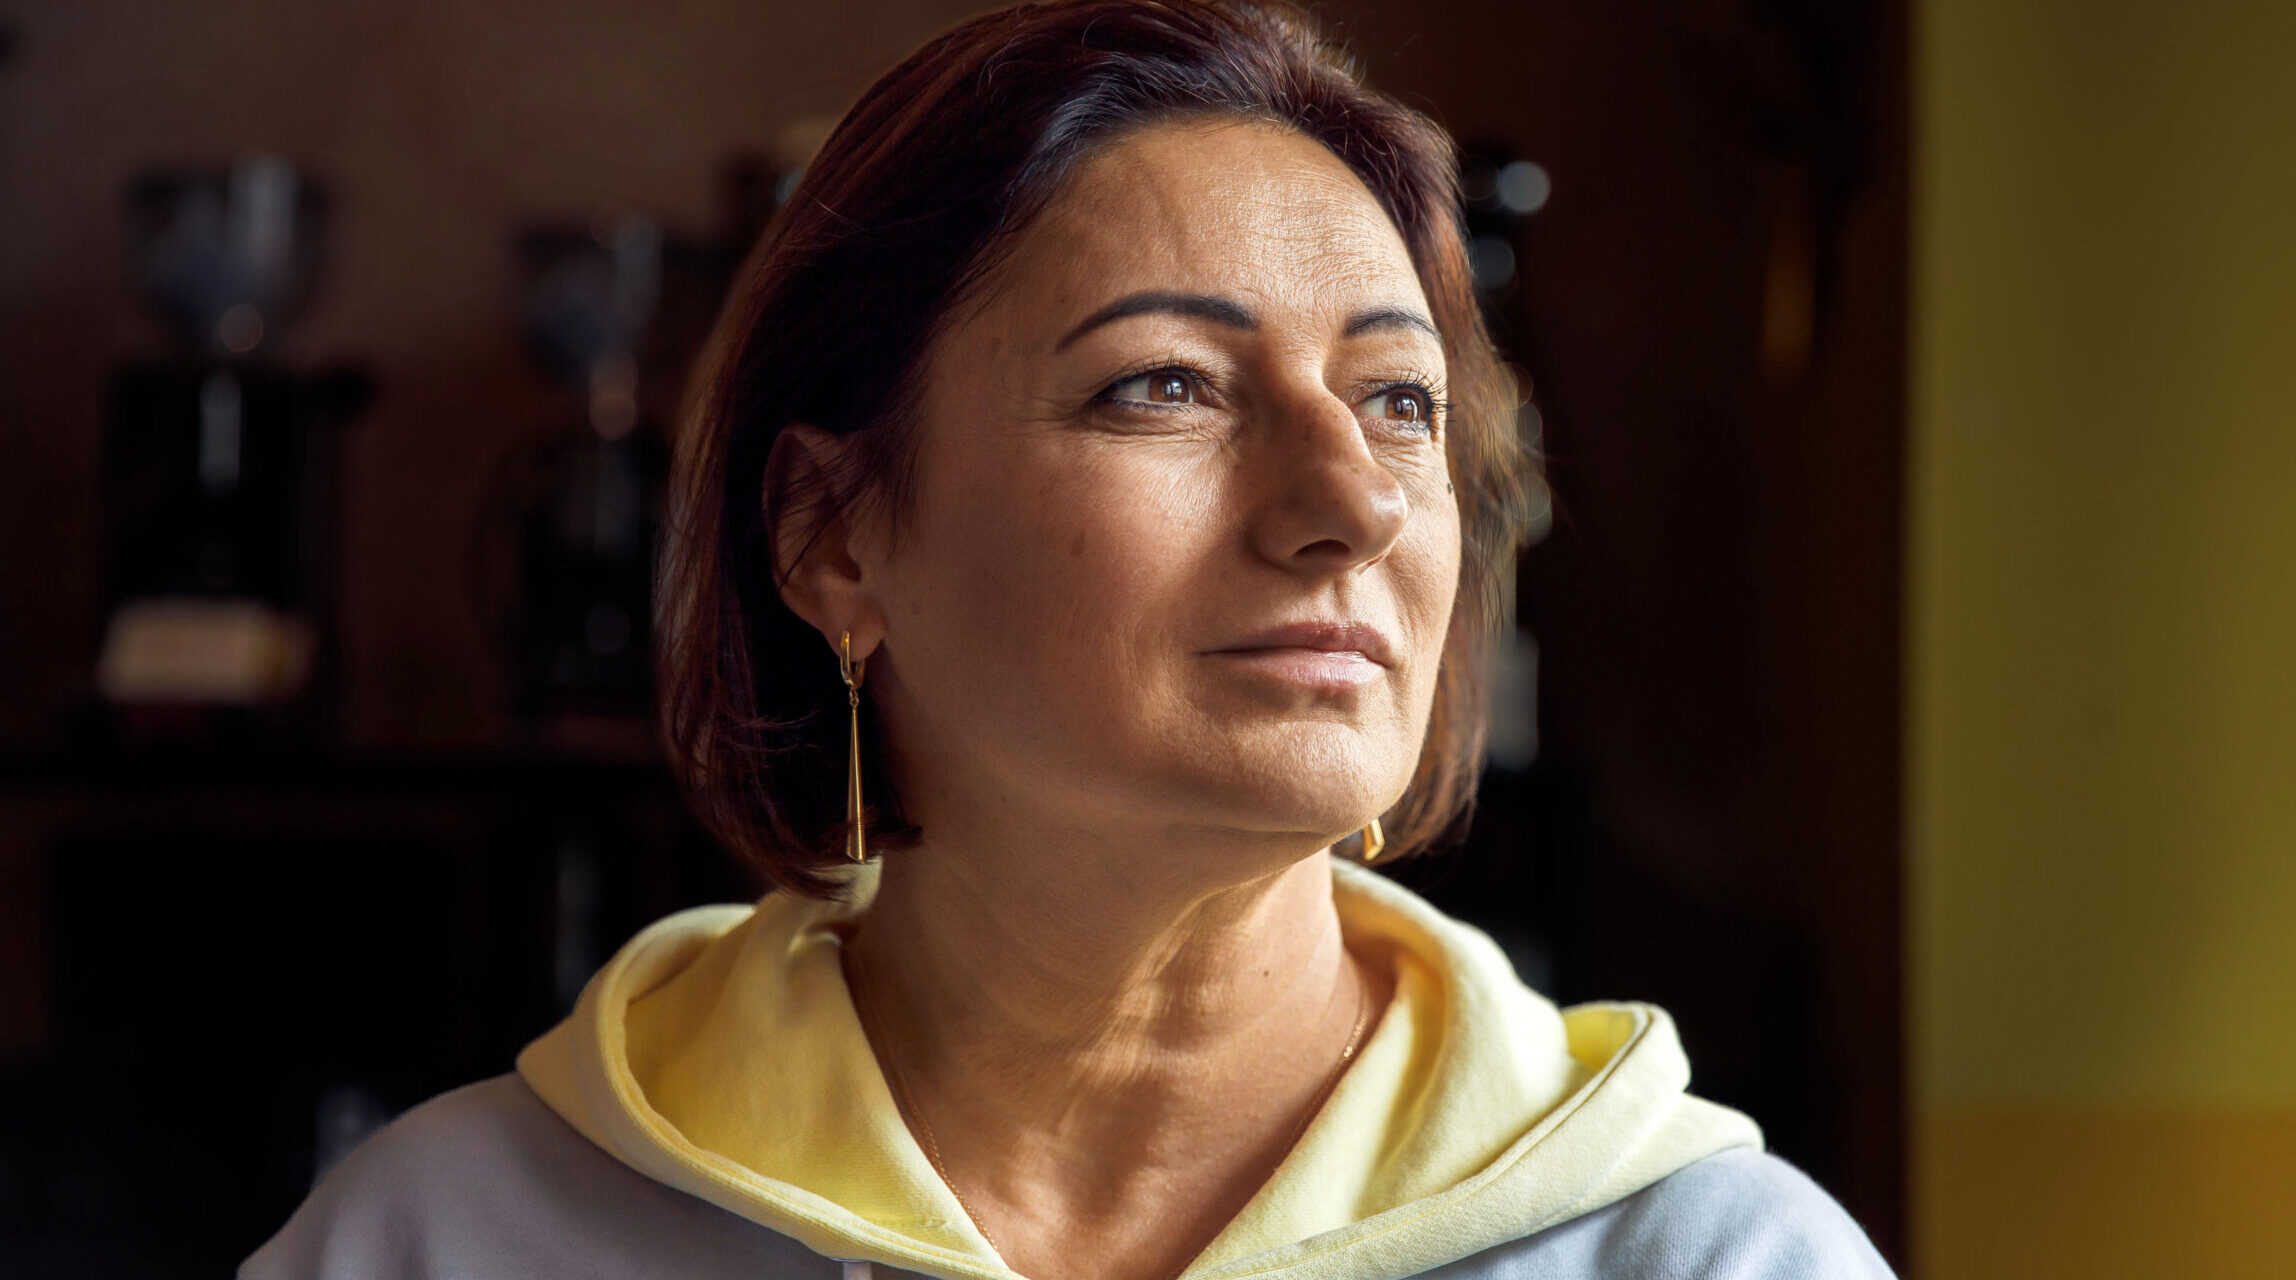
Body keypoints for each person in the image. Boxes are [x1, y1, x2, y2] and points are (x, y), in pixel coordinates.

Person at [244, 1, 1895, 1276]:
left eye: (1400, 401)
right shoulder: (445, 1241)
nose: (1354, 503)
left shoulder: (1709, 1254)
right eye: (1164, 385)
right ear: (832, 535)